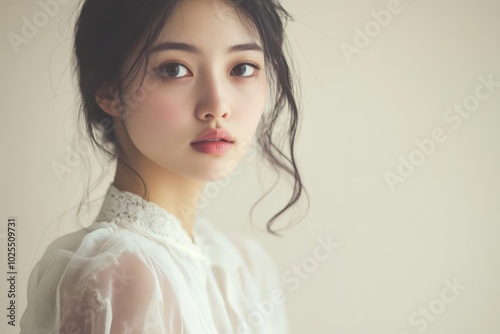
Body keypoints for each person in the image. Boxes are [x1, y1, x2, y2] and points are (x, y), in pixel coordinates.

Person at [20, 0, 306, 332]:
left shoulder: (243, 266)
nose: (217, 105)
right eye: (174, 69)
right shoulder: (124, 274)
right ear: (109, 90)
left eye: (241, 68)